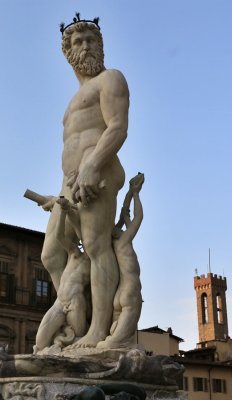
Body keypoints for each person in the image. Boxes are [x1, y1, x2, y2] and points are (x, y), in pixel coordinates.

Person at [41, 15, 129, 348]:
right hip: (68, 182)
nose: (87, 46)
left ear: (101, 46)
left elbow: (118, 127)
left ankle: (98, 332)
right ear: (67, 52)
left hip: (99, 172)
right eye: (79, 42)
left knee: (95, 247)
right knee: (51, 255)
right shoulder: (72, 102)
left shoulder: (111, 79)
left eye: (92, 40)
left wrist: (92, 165)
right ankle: (75, 316)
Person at [35, 197, 91, 352]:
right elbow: (59, 236)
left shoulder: (97, 263)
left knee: (75, 344)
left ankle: (61, 350)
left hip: (76, 303)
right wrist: (63, 213)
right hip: (60, 302)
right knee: (40, 342)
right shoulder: (74, 252)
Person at [97, 173, 144, 349]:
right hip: (131, 292)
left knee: (112, 342)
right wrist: (137, 194)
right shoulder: (124, 243)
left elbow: (124, 216)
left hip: (118, 296)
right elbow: (137, 218)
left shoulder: (113, 244)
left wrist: (130, 193)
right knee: (115, 345)